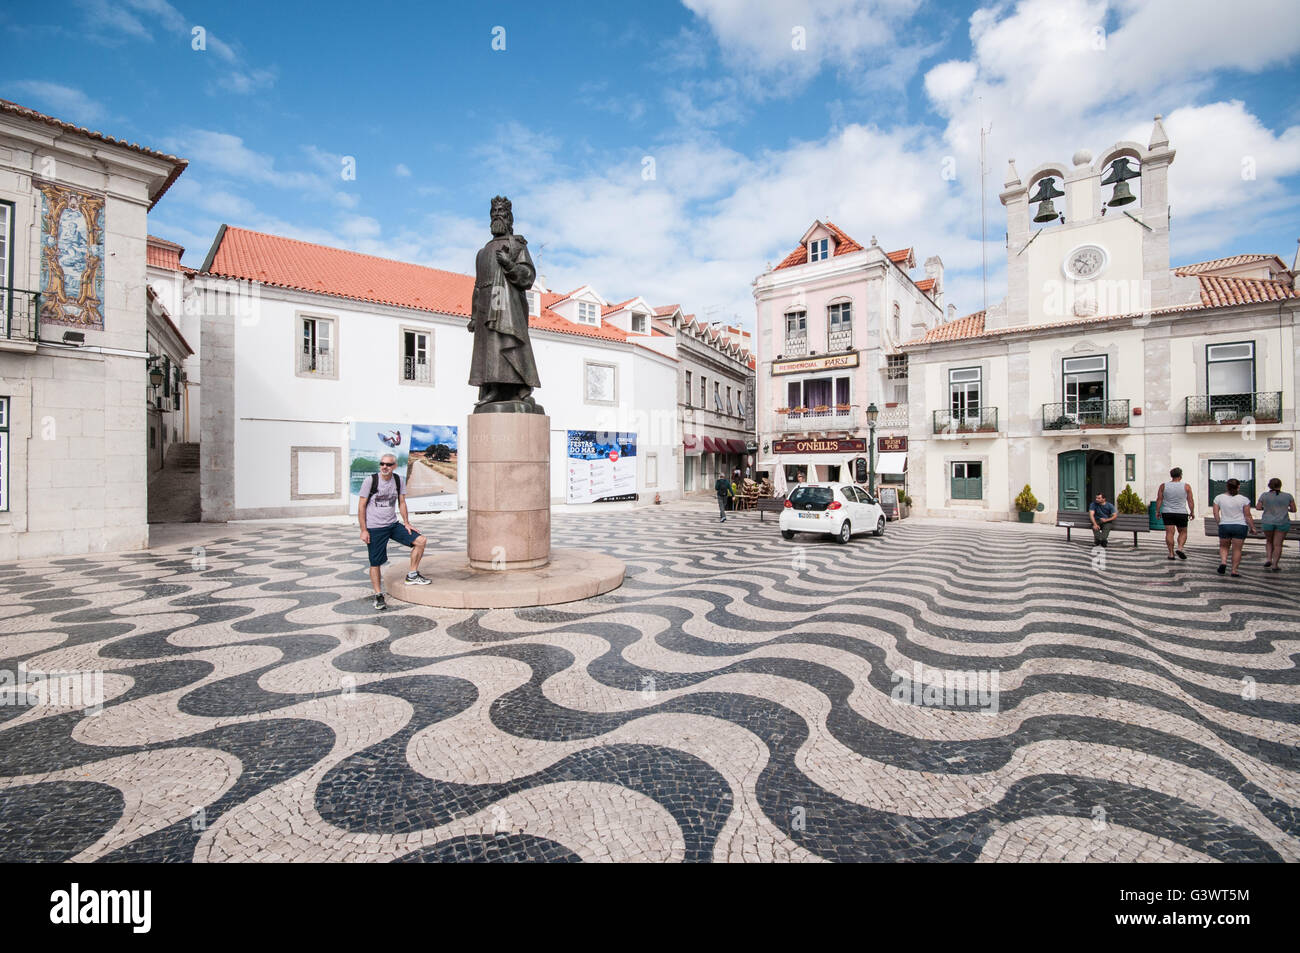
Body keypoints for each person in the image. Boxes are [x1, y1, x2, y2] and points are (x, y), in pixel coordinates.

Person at [359, 453, 430, 610]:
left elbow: (402, 502)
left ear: (394, 466)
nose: (384, 466)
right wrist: (364, 530)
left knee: (421, 541)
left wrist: (406, 523)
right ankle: (378, 595)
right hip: (375, 527)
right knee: (375, 562)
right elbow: (361, 506)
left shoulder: (398, 480)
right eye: (382, 463)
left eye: (389, 464)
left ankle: (412, 575)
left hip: (392, 524)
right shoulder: (371, 480)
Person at [1212, 478, 1256, 577]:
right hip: (1240, 526)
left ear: (1226, 486)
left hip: (1225, 525)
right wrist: (1252, 527)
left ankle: (1223, 562)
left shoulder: (1218, 498)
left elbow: (1215, 512)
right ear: (1238, 487)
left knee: (1224, 547)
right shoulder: (1244, 499)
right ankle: (1234, 570)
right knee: (1237, 550)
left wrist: (1219, 523)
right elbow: (1248, 515)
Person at [1155, 466, 1194, 561]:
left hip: (1167, 512)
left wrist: (1157, 511)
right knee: (1183, 532)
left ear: (1171, 476)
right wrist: (1192, 511)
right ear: (1180, 476)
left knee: (1169, 533)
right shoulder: (1186, 486)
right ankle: (1180, 548)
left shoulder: (1163, 486)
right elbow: (1190, 501)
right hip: (1181, 512)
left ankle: (1171, 554)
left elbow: (1159, 499)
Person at [1257, 478, 1296, 571]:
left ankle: (1269, 559)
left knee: (1269, 541)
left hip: (1267, 522)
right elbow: (1294, 509)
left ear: (1269, 485)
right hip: (1282, 522)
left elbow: (1258, 507)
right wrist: (1286, 509)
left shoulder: (1264, 495)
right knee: (1278, 544)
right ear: (1280, 485)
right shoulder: (1288, 496)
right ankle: (1275, 565)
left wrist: (1266, 508)